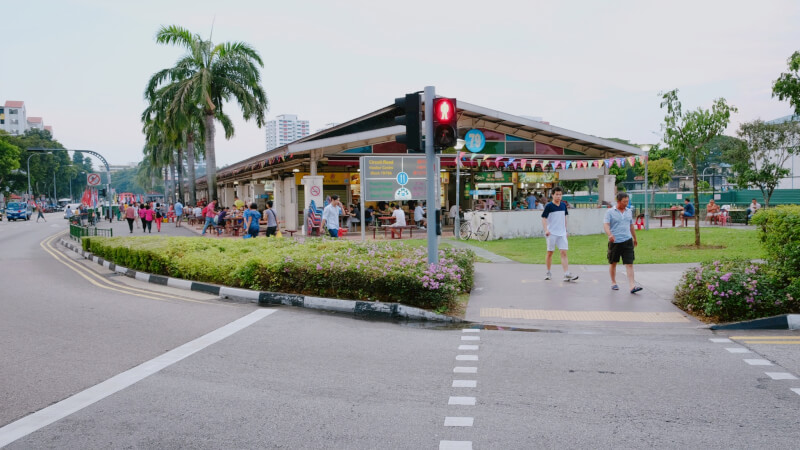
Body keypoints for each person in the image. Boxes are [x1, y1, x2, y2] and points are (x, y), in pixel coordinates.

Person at [603, 192, 641, 294]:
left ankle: (632, 286)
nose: (626, 203)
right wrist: (610, 234)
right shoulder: (610, 212)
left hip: (627, 240)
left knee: (629, 263)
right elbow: (606, 225)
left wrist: (635, 238)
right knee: (613, 263)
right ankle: (613, 282)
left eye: (627, 201)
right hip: (615, 241)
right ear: (618, 201)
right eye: (624, 201)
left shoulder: (629, 211)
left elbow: (631, 226)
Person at [541, 186, 578, 282]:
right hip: (551, 233)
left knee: (564, 252)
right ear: (552, 195)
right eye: (556, 194)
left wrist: (565, 230)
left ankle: (566, 274)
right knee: (550, 253)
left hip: (561, 233)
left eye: (560, 194)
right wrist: (546, 230)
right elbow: (544, 219)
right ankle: (548, 272)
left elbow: (564, 218)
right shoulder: (548, 206)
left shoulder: (563, 205)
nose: (558, 196)